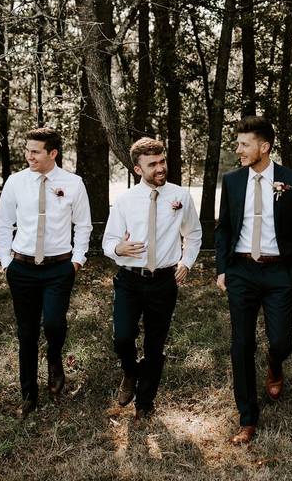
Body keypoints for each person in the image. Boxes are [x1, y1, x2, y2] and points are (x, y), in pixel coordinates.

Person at [215, 116, 292, 444]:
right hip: (242, 270)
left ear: (264, 147)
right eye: (238, 143)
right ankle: (247, 418)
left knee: (281, 341)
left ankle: (275, 363)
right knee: (241, 344)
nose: (238, 149)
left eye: (244, 144)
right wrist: (222, 268)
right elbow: (224, 229)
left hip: (278, 272)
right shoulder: (231, 181)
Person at [0, 127, 92, 418]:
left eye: (35, 151)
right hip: (21, 268)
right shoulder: (16, 182)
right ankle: (28, 396)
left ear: (53, 153)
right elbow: (3, 223)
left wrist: (76, 260)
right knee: (26, 334)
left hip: (58, 268)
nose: (29, 156)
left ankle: (54, 357)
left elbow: (83, 225)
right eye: (27, 150)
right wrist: (5, 261)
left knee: (53, 323)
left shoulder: (73, 184)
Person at [103, 137, 201, 420]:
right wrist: (117, 248)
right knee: (122, 338)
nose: (160, 168)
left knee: (155, 344)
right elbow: (108, 241)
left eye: (162, 162)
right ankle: (130, 373)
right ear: (137, 169)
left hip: (164, 281)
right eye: (152, 164)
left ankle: (145, 401)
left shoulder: (180, 196)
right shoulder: (125, 201)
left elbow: (193, 234)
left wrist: (187, 261)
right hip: (130, 279)